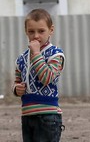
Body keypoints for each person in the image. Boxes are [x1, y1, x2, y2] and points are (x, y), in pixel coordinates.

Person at [13, 8, 66, 142]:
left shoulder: (56, 54)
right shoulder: (22, 58)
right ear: (26, 31)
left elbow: (47, 78)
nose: (36, 36)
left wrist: (36, 54)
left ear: (51, 30)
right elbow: (17, 81)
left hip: (48, 116)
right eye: (31, 31)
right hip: (27, 114)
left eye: (41, 31)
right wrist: (16, 89)